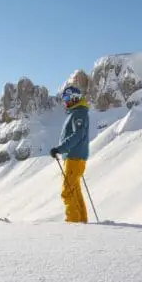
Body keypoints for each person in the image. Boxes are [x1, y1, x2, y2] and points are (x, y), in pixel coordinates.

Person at [50, 86, 90, 223]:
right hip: (73, 158)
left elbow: (77, 135)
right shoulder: (76, 112)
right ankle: (81, 223)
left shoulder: (79, 113)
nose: (65, 102)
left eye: (67, 98)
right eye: (63, 99)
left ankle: (73, 225)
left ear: (74, 98)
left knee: (67, 192)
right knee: (75, 192)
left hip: (74, 158)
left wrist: (60, 149)